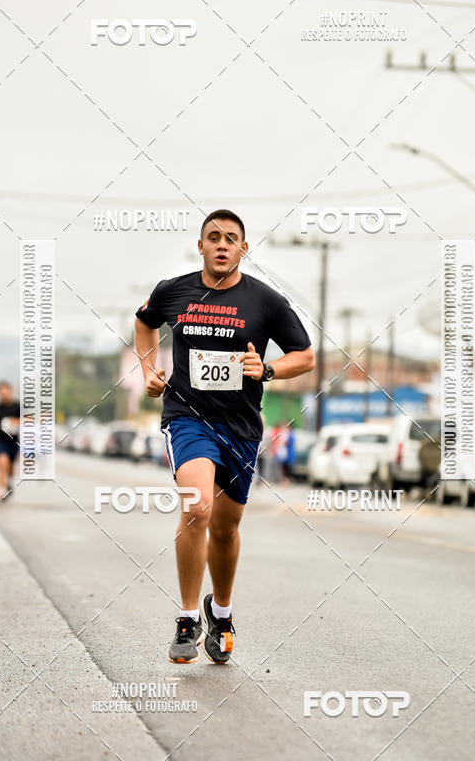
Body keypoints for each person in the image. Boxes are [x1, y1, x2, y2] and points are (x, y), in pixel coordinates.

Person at [134, 209, 315, 664]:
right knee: (197, 505)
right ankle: (188, 616)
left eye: (230, 238)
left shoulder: (266, 302)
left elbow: (305, 356)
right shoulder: (173, 291)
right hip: (187, 416)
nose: (221, 244)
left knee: (226, 526)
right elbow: (144, 323)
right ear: (200, 246)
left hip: (240, 425)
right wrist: (148, 369)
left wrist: (268, 368)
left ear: (243, 249)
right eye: (212, 237)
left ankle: (222, 612)